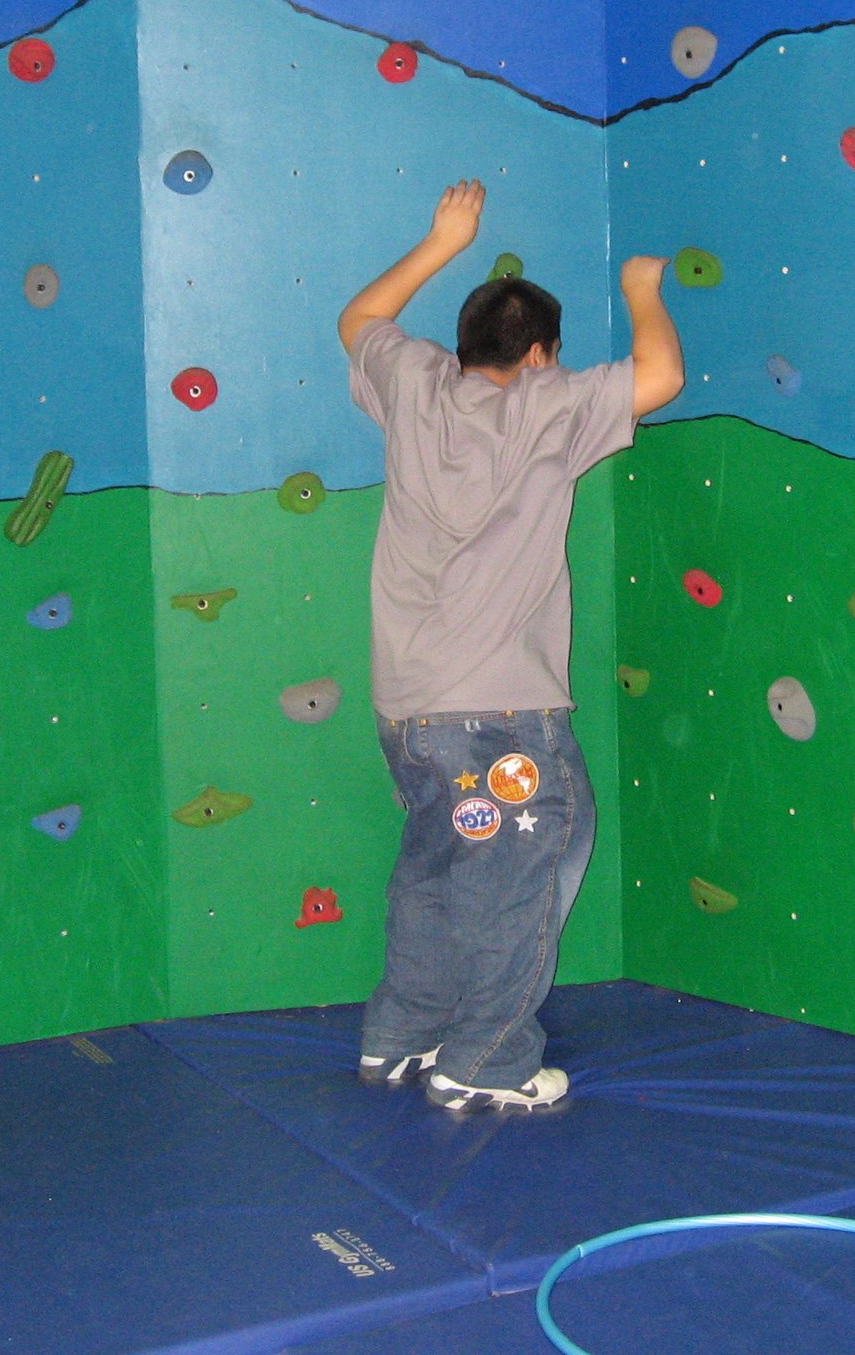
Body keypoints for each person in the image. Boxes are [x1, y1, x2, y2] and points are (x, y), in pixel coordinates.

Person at [340, 181, 683, 1112]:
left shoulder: (411, 385)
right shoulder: (549, 405)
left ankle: (403, 1033)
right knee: (534, 856)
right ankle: (485, 1057)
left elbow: (360, 317)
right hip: (499, 712)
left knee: (440, 858)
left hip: (407, 707)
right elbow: (660, 376)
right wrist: (643, 287)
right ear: (537, 356)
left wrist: (443, 239)